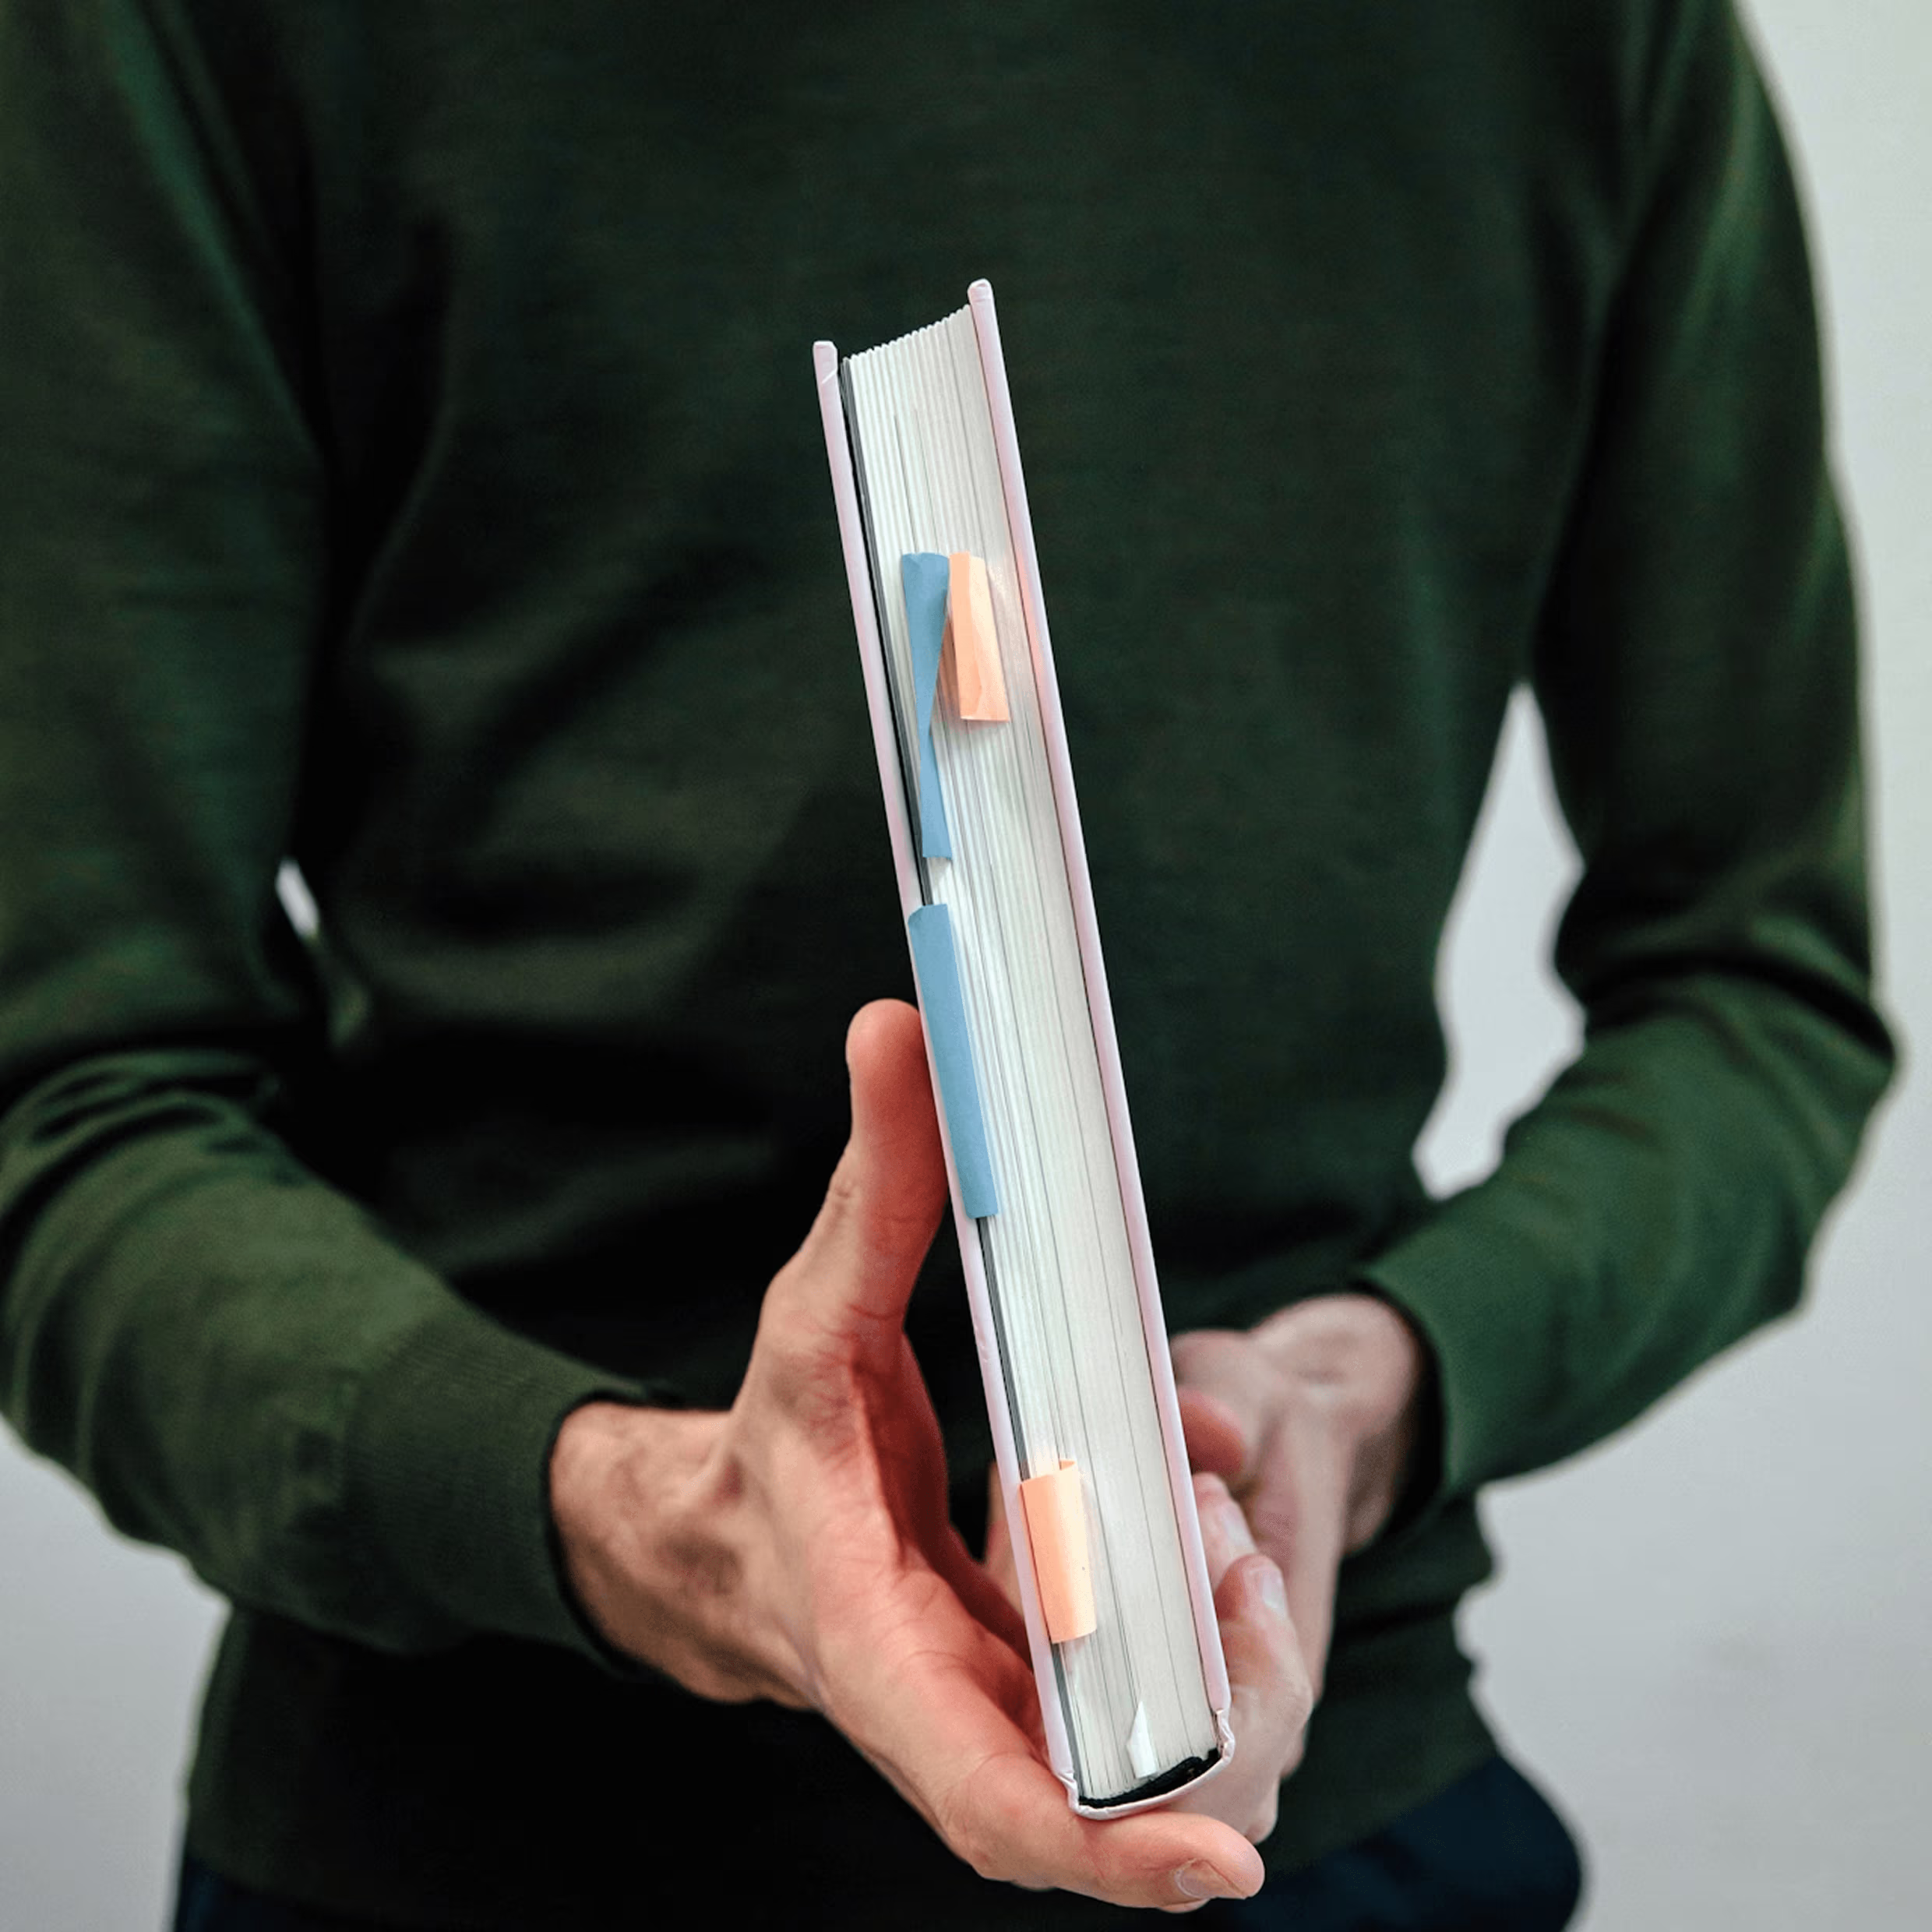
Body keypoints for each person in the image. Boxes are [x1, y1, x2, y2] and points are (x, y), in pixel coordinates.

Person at [0, 1, 1891, 1927]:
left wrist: (1361, 1395)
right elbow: (73, 1098)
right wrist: (655, 1516)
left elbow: (1757, 991)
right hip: (450, 1829)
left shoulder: (1584, 43)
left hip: (1309, 1809)